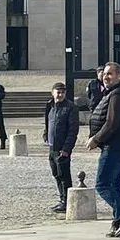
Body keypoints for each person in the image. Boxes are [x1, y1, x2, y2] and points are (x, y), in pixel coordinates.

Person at [86, 62, 120, 238]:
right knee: (115, 186)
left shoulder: (117, 95)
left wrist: (96, 139)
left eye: (110, 74)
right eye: (104, 74)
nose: (105, 77)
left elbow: (111, 123)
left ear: (119, 76)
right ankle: (117, 223)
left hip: (116, 147)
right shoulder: (114, 93)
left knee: (102, 185)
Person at [44, 82, 79, 213]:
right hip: (52, 146)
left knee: (64, 175)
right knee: (56, 174)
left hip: (62, 147)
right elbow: (49, 122)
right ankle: (61, 199)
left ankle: (67, 201)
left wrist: (66, 149)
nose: (60, 95)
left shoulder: (70, 108)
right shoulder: (50, 105)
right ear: (52, 92)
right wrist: (45, 133)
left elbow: (73, 130)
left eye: (63, 92)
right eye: (58, 92)